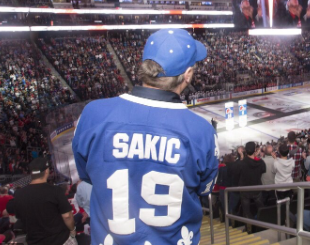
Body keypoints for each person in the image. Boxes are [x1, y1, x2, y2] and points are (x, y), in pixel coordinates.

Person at [73, 29, 219, 245]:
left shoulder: (93, 114)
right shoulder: (201, 131)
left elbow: (86, 174)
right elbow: (205, 188)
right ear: (187, 75)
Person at [8, 158, 77, 245]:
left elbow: (19, 216)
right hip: (60, 240)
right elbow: (67, 216)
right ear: (46, 171)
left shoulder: (18, 194)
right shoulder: (55, 191)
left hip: (35, 241)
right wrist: (72, 230)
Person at [238, 142, 266, 233]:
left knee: (246, 211)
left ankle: (249, 228)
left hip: (245, 191)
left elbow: (237, 173)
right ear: (255, 150)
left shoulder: (242, 163)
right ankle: (263, 225)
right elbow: (263, 170)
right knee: (261, 208)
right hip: (257, 189)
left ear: (245, 151)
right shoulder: (260, 162)